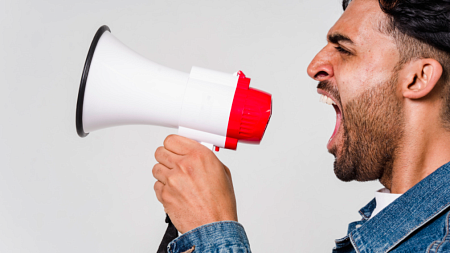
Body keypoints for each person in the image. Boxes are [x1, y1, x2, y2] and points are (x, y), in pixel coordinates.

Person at [152, 0, 450, 252]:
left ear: (418, 78)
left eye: (344, 49)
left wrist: (213, 231)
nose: (314, 65)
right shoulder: (386, 229)